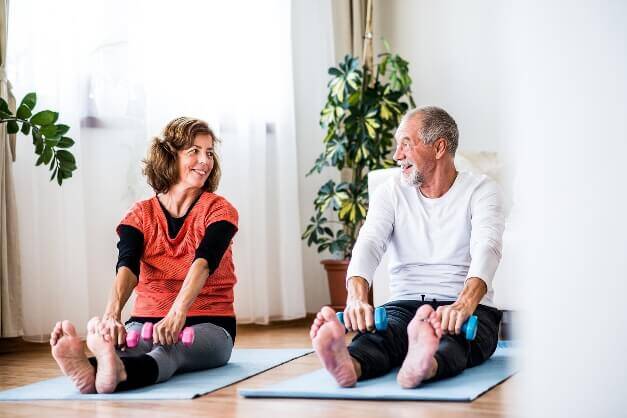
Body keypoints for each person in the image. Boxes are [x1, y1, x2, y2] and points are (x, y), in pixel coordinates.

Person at [310, 106, 505, 388]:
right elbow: (369, 243)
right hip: (405, 304)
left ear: (439, 147)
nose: (396, 155)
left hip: (467, 306)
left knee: (457, 341)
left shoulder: (482, 190)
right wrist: (356, 298)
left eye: (406, 144)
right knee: (381, 336)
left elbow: (487, 247)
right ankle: (349, 364)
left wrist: (463, 305)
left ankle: (424, 364)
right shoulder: (390, 191)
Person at [49, 117, 239, 393]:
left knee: (171, 349)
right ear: (169, 156)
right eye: (194, 151)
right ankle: (89, 371)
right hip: (146, 320)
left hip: (211, 324)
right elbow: (126, 266)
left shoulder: (220, 210)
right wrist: (111, 316)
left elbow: (204, 262)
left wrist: (178, 313)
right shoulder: (139, 215)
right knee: (132, 344)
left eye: (209, 152)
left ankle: (114, 377)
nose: (205, 160)